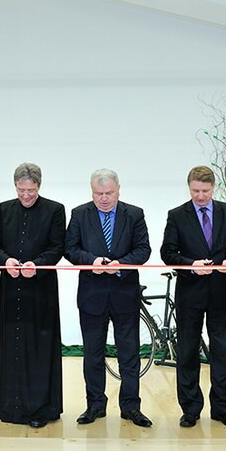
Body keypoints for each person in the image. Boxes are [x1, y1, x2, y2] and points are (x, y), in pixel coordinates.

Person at [160, 166, 226, 429]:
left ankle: (223, 409)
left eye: (205, 191)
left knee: (222, 351)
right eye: (195, 191)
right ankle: (190, 409)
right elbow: (168, 252)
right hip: (190, 294)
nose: (200, 196)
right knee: (187, 351)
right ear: (189, 187)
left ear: (214, 188)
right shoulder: (177, 215)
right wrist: (190, 264)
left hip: (222, 292)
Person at [65, 168, 153, 427]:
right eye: (98, 193)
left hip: (125, 295)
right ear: (91, 192)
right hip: (92, 296)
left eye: (109, 193)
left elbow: (144, 249)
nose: (103, 198)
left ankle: (130, 407)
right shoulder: (80, 214)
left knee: (129, 355)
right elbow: (70, 249)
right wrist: (91, 261)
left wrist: (121, 264)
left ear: (118, 190)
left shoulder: (134, 214)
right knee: (93, 354)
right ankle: (95, 406)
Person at [0, 162, 65, 428]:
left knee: (39, 349)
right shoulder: (4, 208)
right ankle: (10, 406)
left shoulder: (55, 210)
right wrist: (5, 261)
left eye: (31, 190)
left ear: (39, 186)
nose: (26, 195)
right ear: (15, 186)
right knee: (12, 345)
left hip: (41, 290)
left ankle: (39, 409)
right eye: (21, 190)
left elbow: (57, 247)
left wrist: (37, 265)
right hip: (11, 287)